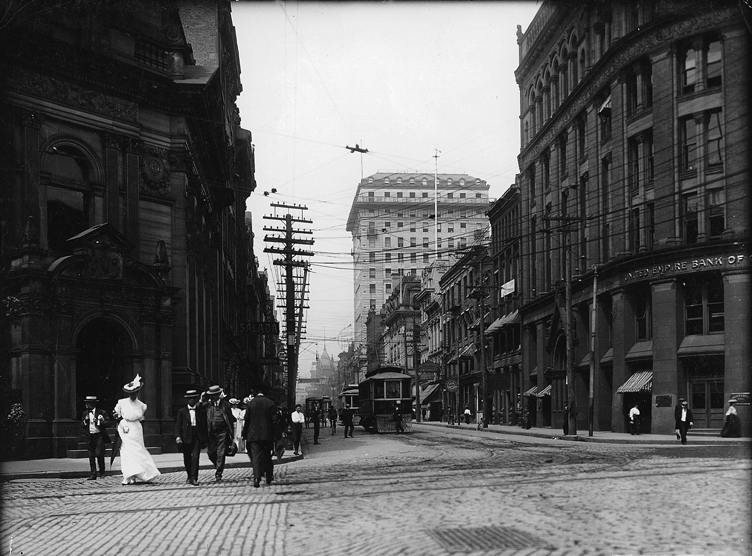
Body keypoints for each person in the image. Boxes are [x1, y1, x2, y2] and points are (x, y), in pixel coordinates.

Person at [113, 375, 160, 485]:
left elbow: (141, 418)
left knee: (138, 451)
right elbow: (116, 414)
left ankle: (139, 474)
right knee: (126, 452)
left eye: (135, 393)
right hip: (125, 428)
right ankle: (128, 476)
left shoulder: (142, 405)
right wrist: (120, 422)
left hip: (136, 430)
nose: (133, 395)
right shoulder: (122, 402)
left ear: (138, 393)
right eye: (131, 394)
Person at [242, 387, 277, 488]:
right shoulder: (270, 403)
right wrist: (276, 435)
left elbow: (247, 421)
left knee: (255, 456)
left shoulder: (250, 404)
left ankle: (257, 478)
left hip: (253, 435)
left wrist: (244, 434)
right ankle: (269, 476)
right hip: (267, 435)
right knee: (267, 455)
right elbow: (274, 421)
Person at [201, 385, 236, 483]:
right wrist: (201, 399)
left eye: (214, 395)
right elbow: (198, 409)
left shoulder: (226, 405)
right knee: (211, 453)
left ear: (218, 395)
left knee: (221, 453)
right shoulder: (207, 405)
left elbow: (230, 419)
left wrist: (231, 434)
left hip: (223, 432)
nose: (212, 397)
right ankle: (218, 466)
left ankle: (218, 474)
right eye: (211, 395)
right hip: (211, 433)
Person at [175, 389, 207, 486]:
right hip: (186, 436)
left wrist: (204, 439)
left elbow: (204, 426)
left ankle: (194, 478)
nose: (192, 400)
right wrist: (178, 436)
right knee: (187, 458)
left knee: (195, 457)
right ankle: (189, 475)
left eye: (194, 398)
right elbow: (178, 425)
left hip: (197, 435)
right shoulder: (182, 412)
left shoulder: (201, 411)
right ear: (187, 400)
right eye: (190, 399)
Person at [81, 395, 111, 480]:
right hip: (89, 436)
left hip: (99, 436)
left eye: (88, 403)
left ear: (92, 404)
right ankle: (93, 474)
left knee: (99, 454)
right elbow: (82, 425)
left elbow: (108, 423)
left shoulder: (101, 412)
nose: (86, 405)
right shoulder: (85, 413)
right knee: (91, 456)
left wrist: (99, 421)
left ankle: (102, 472)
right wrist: (85, 421)